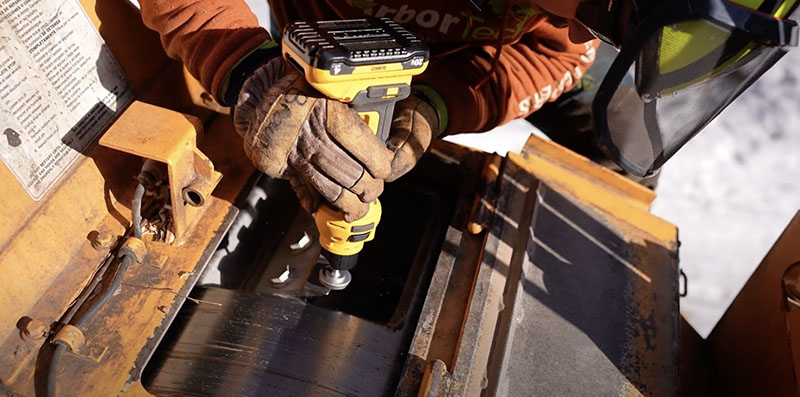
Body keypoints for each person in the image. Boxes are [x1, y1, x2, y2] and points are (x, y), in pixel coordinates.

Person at [138, 0, 798, 220]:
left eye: (606, 15)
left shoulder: (582, 20)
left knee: (610, 131)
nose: (584, 20)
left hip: (459, 52)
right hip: (326, 43)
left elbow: (557, 53)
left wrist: (435, 107)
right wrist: (244, 67)